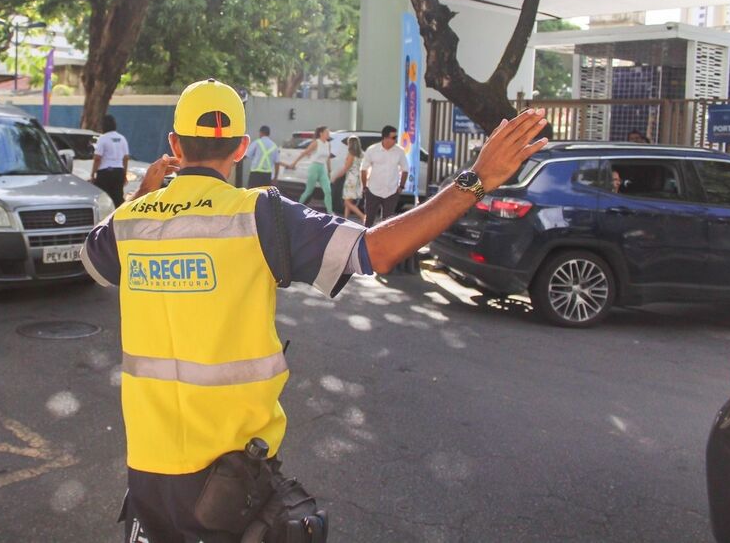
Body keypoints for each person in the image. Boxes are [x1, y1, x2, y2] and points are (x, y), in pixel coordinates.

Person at [80, 77, 549, 543]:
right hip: (231, 479)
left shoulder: (131, 220)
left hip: (147, 473)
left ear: (174, 146)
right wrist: (477, 179)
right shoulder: (259, 214)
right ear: (241, 147)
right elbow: (376, 251)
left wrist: (143, 196)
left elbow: (93, 262)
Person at [360, 126, 408, 227]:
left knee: (387, 223)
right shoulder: (372, 150)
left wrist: (401, 187)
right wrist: (364, 187)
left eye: (396, 137)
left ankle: (385, 242)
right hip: (373, 191)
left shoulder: (399, 151)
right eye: (393, 137)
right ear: (385, 138)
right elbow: (363, 169)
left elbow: (405, 169)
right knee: (369, 220)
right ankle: (363, 240)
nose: (395, 140)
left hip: (391, 192)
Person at [288, 125, 333, 213]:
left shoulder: (328, 144)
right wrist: (294, 163)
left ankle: (330, 212)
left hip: (322, 168)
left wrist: (329, 169)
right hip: (314, 167)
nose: (328, 134)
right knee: (309, 191)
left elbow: (328, 158)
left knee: (328, 190)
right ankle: (296, 208)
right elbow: (305, 153)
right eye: (327, 132)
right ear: (321, 133)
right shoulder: (316, 143)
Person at [92, 114, 130, 207]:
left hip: (105, 173)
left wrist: (93, 173)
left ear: (103, 126)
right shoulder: (122, 138)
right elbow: (125, 158)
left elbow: (97, 158)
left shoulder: (103, 138)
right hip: (119, 172)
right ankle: (118, 218)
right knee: (118, 198)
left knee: (102, 199)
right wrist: (124, 174)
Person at [334, 136, 366, 222]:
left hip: (351, 179)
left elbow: (346, 168)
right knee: (349, 201)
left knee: (346, 202)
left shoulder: (351, 154)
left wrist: (336, 177)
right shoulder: (362, 153)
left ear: (350, 144)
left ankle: (363, 216)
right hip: (358, 178)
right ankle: (345, 220)